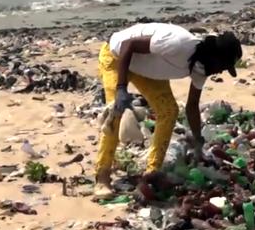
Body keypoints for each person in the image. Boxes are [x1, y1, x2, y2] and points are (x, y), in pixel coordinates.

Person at [93, 22, 243, 198]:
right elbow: (129, 45)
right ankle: (102, 177)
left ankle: (152, 171)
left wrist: (198, 141)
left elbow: (192, 106)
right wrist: (121, 88)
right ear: (215, 56)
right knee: (115, 114)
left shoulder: (201, 68)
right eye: (223, 66)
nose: (220, 71)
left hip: (147, 70)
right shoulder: (178, 44)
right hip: (117, 57)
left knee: (169, 111)